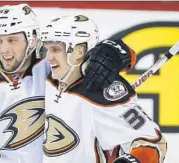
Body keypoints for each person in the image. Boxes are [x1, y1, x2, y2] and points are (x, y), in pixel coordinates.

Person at [0, 4, 135, 163]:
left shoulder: (52, 68)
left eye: (12, 40)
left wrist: (118, 53)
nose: (4, 49)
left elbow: (105, 60)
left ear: (32, 39)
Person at [41, 15, 167, 163]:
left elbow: (153, 143)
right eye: (47, 49)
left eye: (56, 49)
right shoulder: (45, 77)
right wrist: (120, 50)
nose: (48, 57)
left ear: (79, 52)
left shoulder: (102, 95)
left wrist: (132, 161)